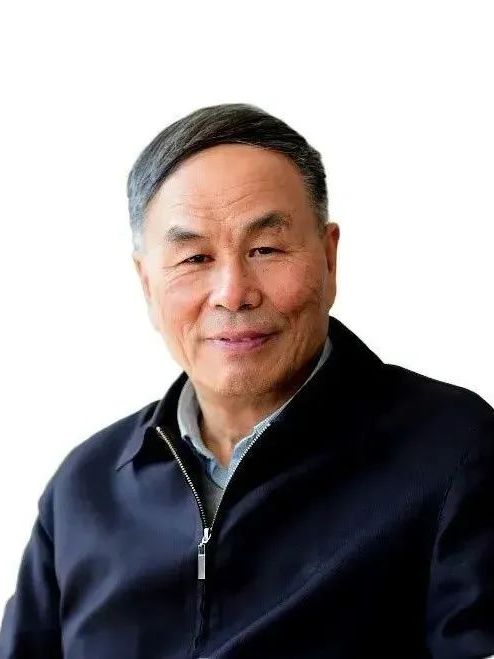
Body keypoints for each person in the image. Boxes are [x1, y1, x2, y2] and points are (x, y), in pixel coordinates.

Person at [1, 103, 493, 659]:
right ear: (147, 284)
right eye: (194, 258)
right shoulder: (85, 488)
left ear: (329, 258)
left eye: (265, 249)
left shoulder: (453, 452)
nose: (233, 293)